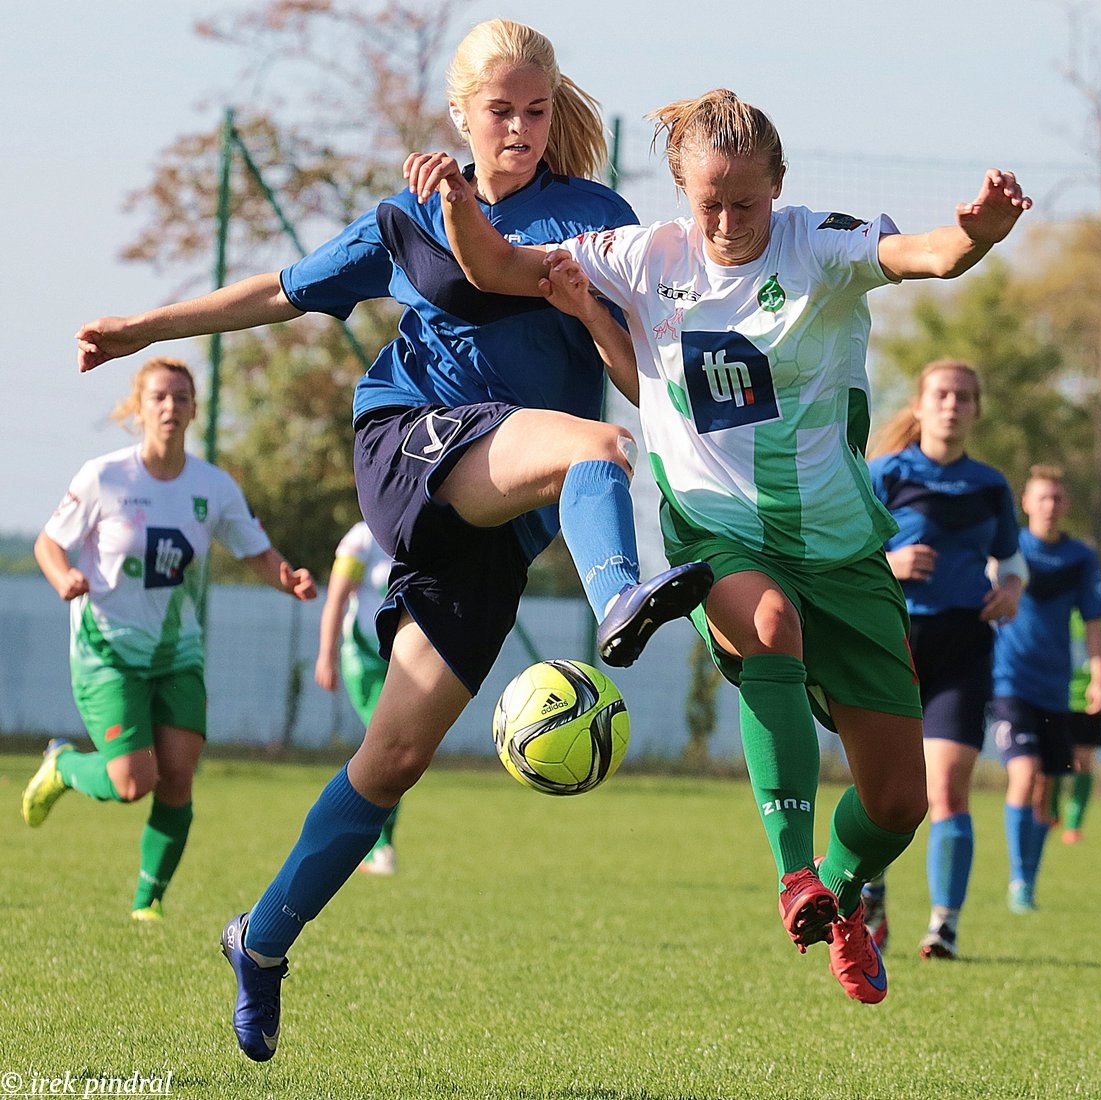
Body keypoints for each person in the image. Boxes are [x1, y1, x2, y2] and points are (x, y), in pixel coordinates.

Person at [75, 19, 711, 1061]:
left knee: (395, 755)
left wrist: (591, 312)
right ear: (460, 113)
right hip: (414, 440)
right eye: (499, 110)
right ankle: (618, 603)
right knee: (594, 447)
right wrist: (142, 329)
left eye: (535, 110)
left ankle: (259, 939)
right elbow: (278, 289)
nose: (519, 127)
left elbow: (644, 383)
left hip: (502, 513)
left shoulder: (597, 219)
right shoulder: (409, 214)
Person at [427, 87, 1031, 1002]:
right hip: (716, 526)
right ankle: (795, 873)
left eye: (744, 203)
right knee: (769, 622)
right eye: (709, 203)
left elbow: (927, 255)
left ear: (777, 186)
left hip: (841, 548)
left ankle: (840, 897)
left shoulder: (818, 244)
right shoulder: (644, 257)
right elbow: (498, 267)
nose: (726, 222)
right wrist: (457, 207)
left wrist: (974, 235)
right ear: (683, 192)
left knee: (898, 803)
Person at [20, 357, 317, 921]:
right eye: (158, 396)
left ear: (194, 409)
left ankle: (147, 904)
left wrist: (288, 579)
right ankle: (63, 767)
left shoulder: (212, 486)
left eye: (181, 397)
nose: (170, 407)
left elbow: (255, 550)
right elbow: (48, 544)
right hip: (107, 651)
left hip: (179, 653)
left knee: (177, 775)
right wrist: (64, 578)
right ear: (138, 408)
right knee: (133, 782)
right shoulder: (105, 477)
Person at [862, 360, 1025, 961]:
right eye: (942, 395)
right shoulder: (884, 474)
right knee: (884, 789)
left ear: (976, 410)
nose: (952, 405)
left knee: (947, 788)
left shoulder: (991, 486)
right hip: (892, 641)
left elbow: (1013, 562)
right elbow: (840, 555)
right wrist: (890, 564)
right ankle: (872, 893)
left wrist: (1012, 590)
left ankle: (944, 927)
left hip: (963, 646)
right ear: (920, 404)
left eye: (964, 397)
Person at [991, 464, 1101, 913]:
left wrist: (1098, 677)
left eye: (1057, 497)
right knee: (1024, 773)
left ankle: (1028, 881)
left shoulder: (1080, 557)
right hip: (1009, 681)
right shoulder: (1008, 548)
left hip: (1056, 688)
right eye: (1042, 497)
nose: (1050, 505)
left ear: (1067, 504)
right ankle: (1017, 878)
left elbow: (1096, 621)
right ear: (1026, 502)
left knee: (1047, 787)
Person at [314, 521, 398, 874]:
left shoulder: (421, 531)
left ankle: (377, 846)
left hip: (405, 661)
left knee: (397, 751)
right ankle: (378, 846)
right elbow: (336, 598)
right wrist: (326, 655)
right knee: (391, 746)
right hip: (365, 660)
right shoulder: (363, 538)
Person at [1054, 609, 1101, 844]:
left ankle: (1073, 824)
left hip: (1091, 700)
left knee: (1083, 762)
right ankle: (1051, 813)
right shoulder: (1060, 608)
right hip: (1057, 696)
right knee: (1054, 759)